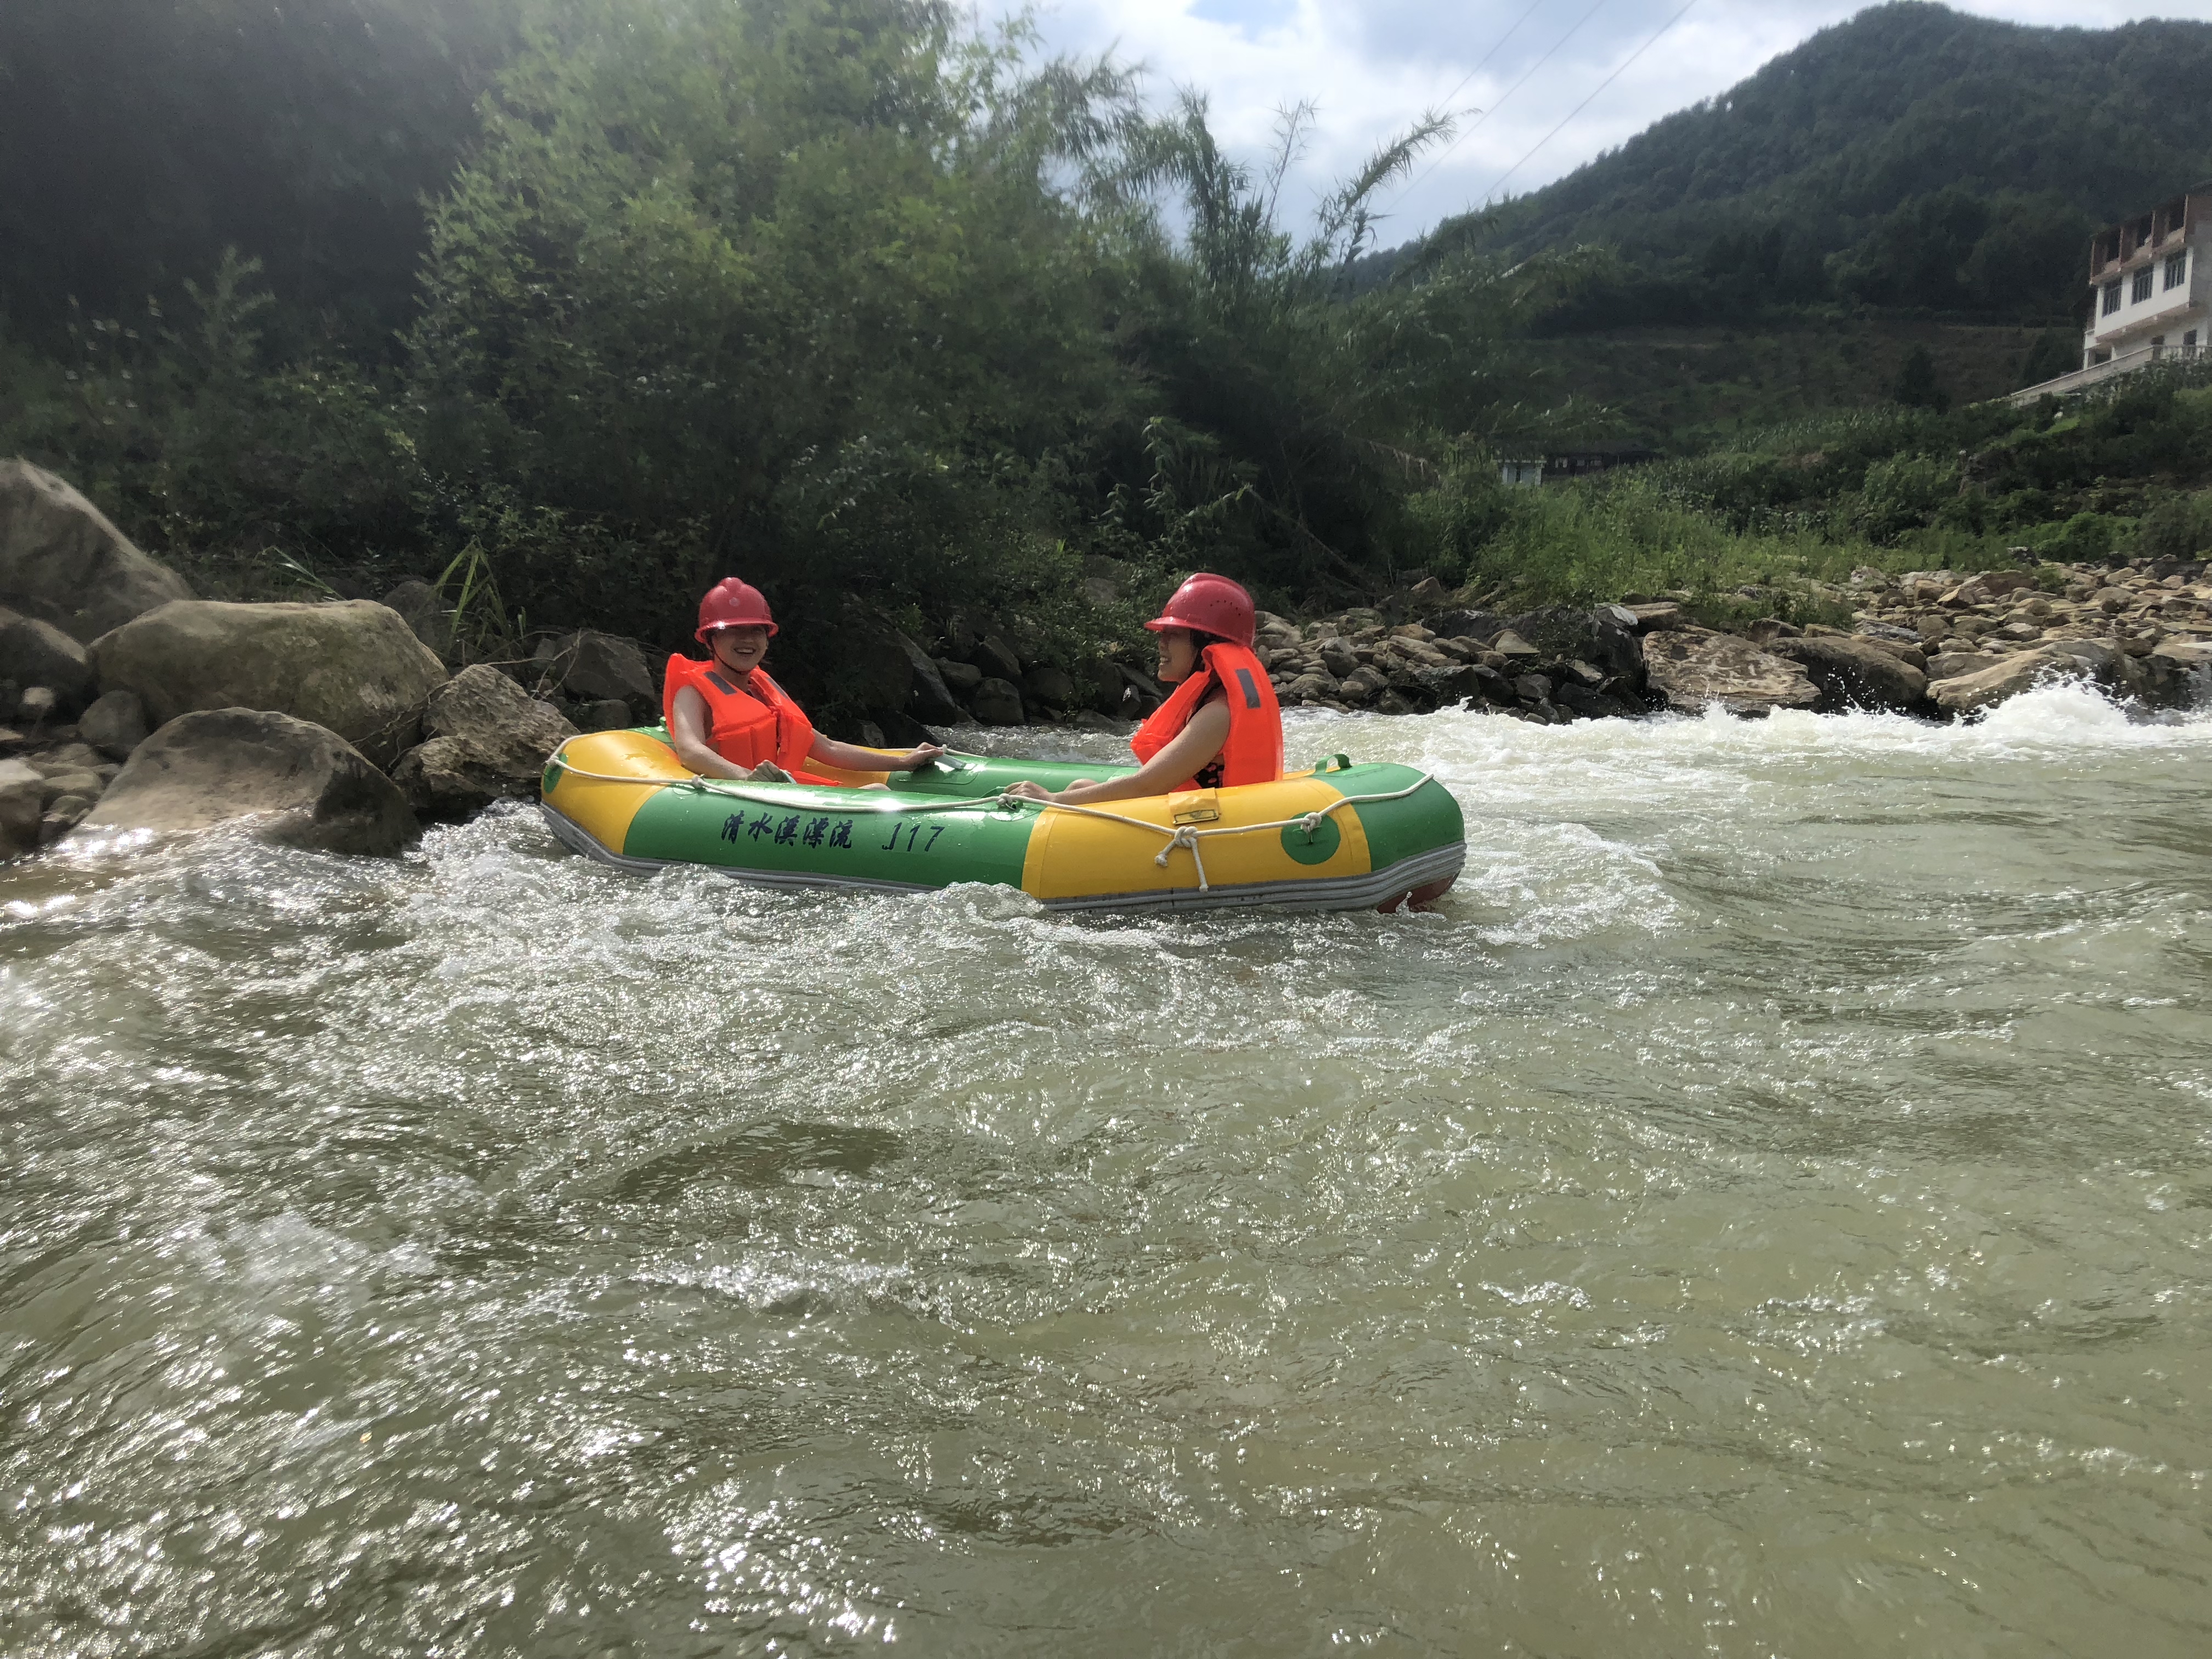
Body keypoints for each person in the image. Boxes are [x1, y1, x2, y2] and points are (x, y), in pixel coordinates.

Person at [1005, 572, 1282, 806]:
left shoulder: (1219, 713)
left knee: (1071, 798)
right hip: (1193, 817)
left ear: (1208, 645)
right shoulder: (1212, 699)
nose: (1161, 644)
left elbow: (1147, 787)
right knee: (1081, 785)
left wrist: (1052, 798)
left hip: (1209, 836)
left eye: (1172, 635)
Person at [663, 578, 944, 784]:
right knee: (876, 795)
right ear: (711, 640)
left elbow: (828, 748)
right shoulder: (693, 692)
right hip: (736, 797)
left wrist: (903, 762)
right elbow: (691, 751)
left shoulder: (762, 689)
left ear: (767, 639)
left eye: (756, 631)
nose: (747, 640)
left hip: (779, 794)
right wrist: (747, 778)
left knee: (877, 790)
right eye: (734, 631)